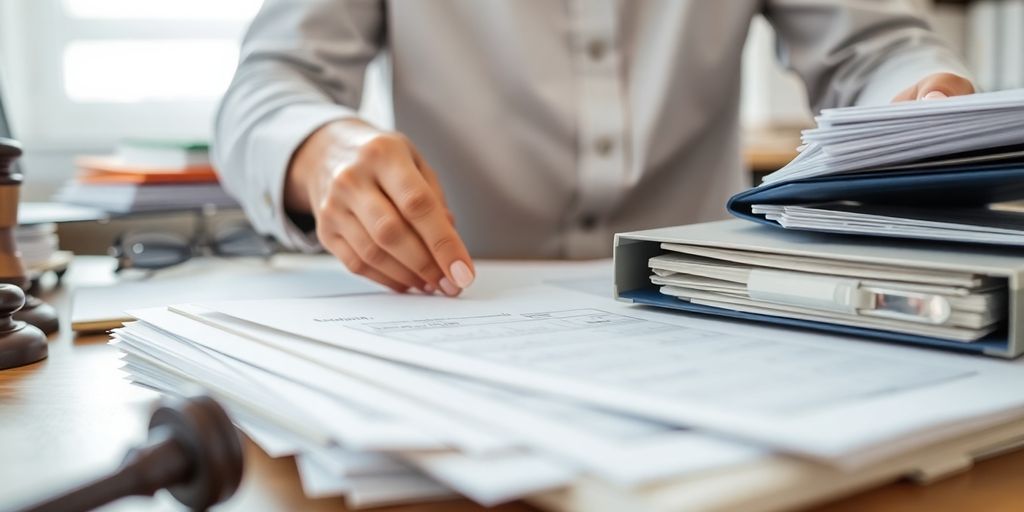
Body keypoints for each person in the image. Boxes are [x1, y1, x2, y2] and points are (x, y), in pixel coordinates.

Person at [213, 1, 974, 297]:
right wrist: (319, 150)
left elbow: (875, 53)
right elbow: (268, 87)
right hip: (448, 311)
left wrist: (919, 105)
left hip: (702, 306)